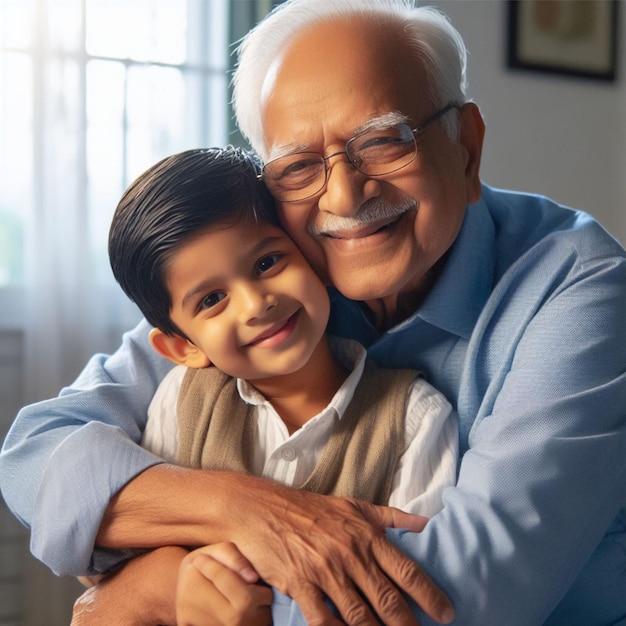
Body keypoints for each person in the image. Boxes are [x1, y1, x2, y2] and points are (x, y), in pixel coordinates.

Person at [1, 0, 625, 624]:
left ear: (467, 148)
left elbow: (464, 596)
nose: (347, 195)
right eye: (299, 166)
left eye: (385, 142)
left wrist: (151, 593)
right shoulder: (270, 272)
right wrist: (243, 510)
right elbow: (36, 458)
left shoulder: (580, 286)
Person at [96, 144, 456, 624]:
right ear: (184, 348)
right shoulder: (180, 401)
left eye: (267, 263)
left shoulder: (415, 418)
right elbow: (138, 561)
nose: (255, 304)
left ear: (314, 255)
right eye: (212, 299)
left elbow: (411, 589)